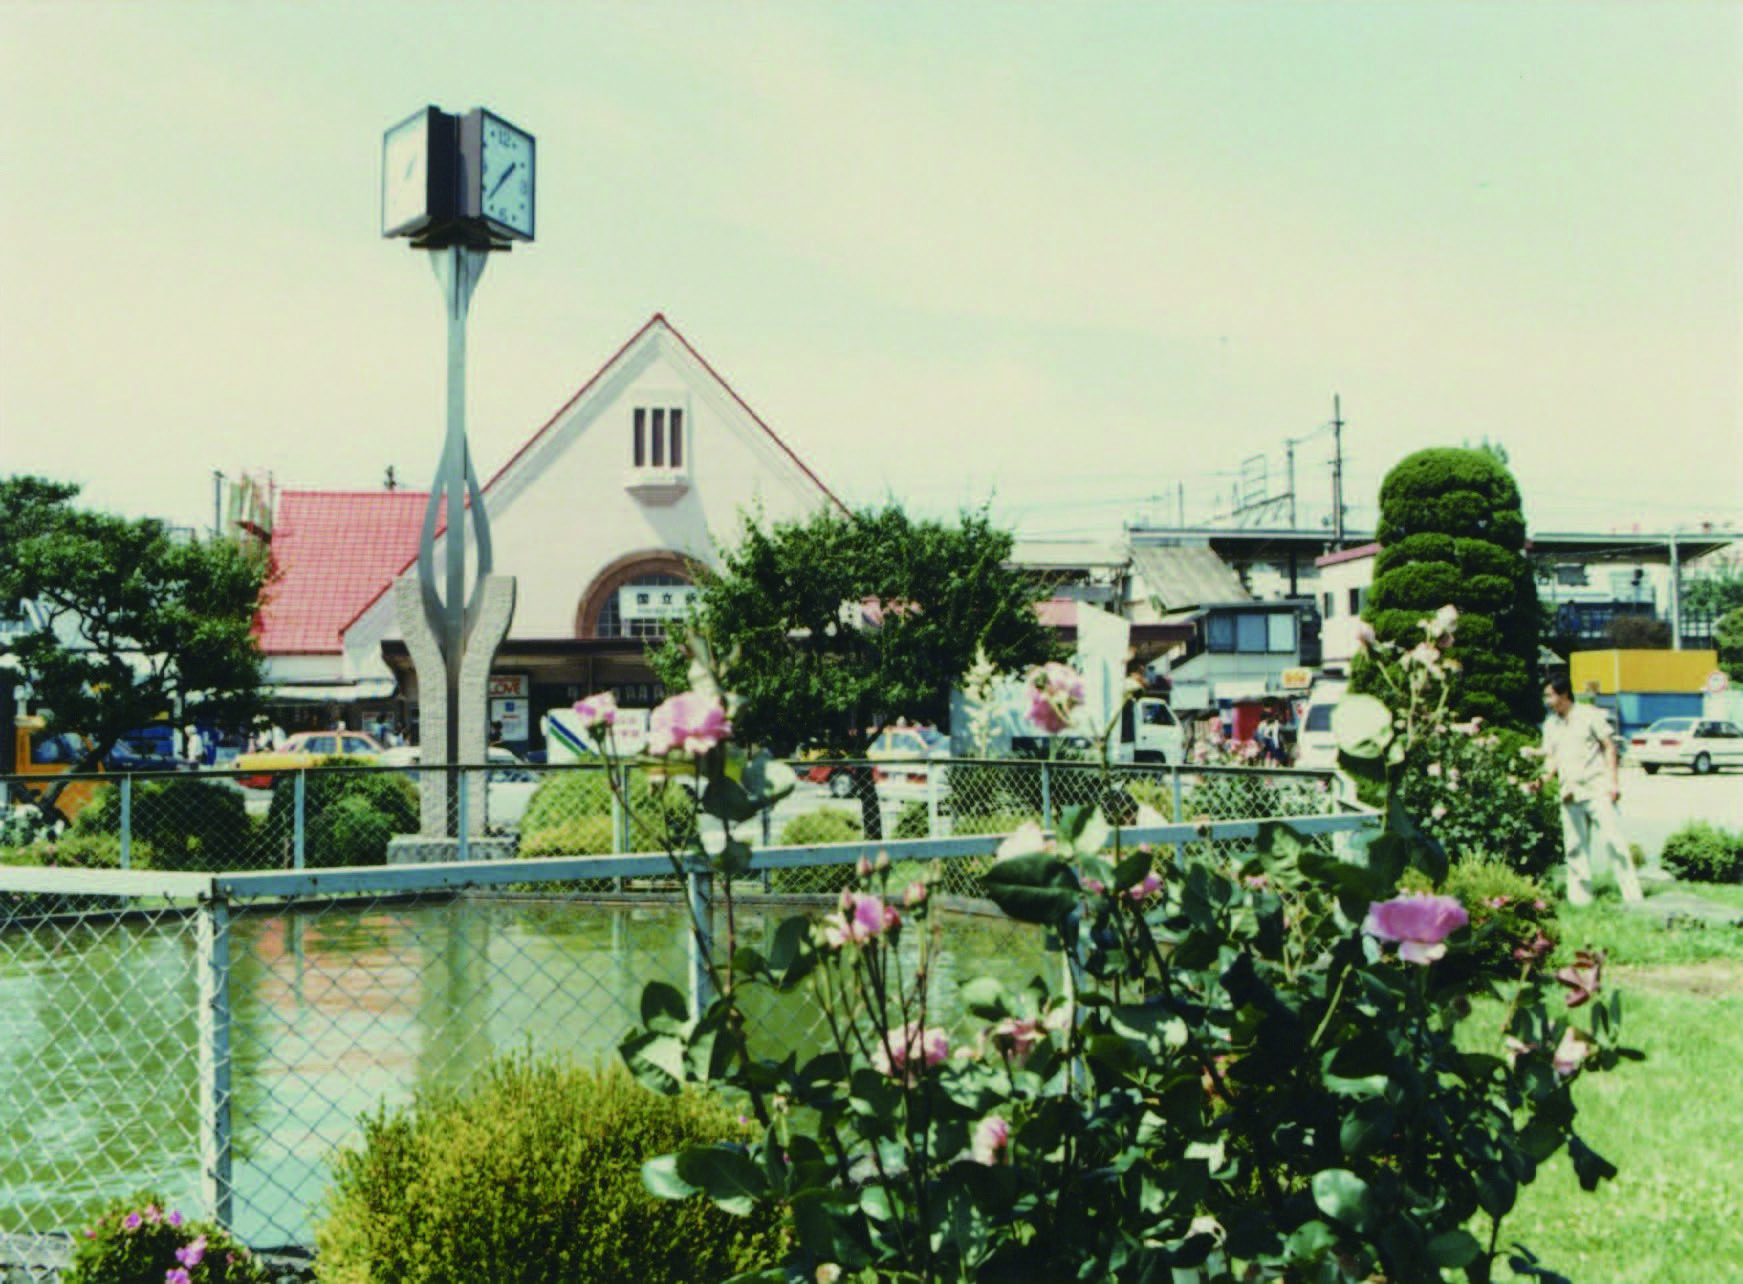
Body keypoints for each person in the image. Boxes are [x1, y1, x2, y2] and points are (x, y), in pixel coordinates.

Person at [1541, 674, 1642, 905]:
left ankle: (1633, 898)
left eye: (1549, 695)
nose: (1546, 701)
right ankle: (1580, 900)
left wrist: (1613, 782)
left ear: (1563, 694)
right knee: (1574, 848)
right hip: (1569, 793)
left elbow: (1609, 747)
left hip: (1597, 789)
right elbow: (1551, 759)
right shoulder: (1550, 724)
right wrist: (1542, 780)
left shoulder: (1589, 715)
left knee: (1614, 842)